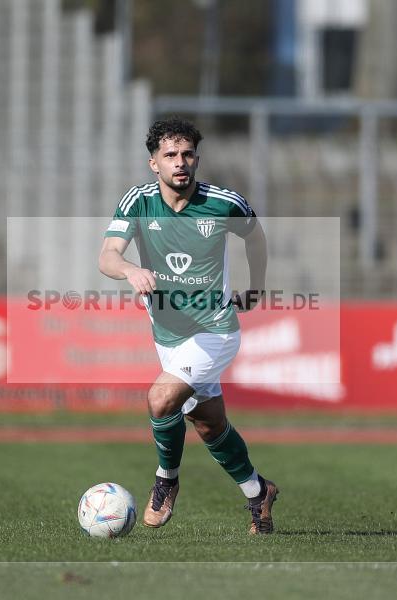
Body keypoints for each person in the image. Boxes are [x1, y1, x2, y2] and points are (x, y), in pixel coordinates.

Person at [98, 116, 278, 534]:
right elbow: (107, 256)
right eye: (170, 155)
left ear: (196, 158)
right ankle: (258, 493)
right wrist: (128, 269)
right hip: (168, 335)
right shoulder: (137, 202)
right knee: (208, 422)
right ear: (154, 164)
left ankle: (166, 481)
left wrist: (257, 288)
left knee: (161, 400)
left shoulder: (223, 202)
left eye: (188, 154)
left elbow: (255, 237)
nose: (181, 162)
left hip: (215, 330)